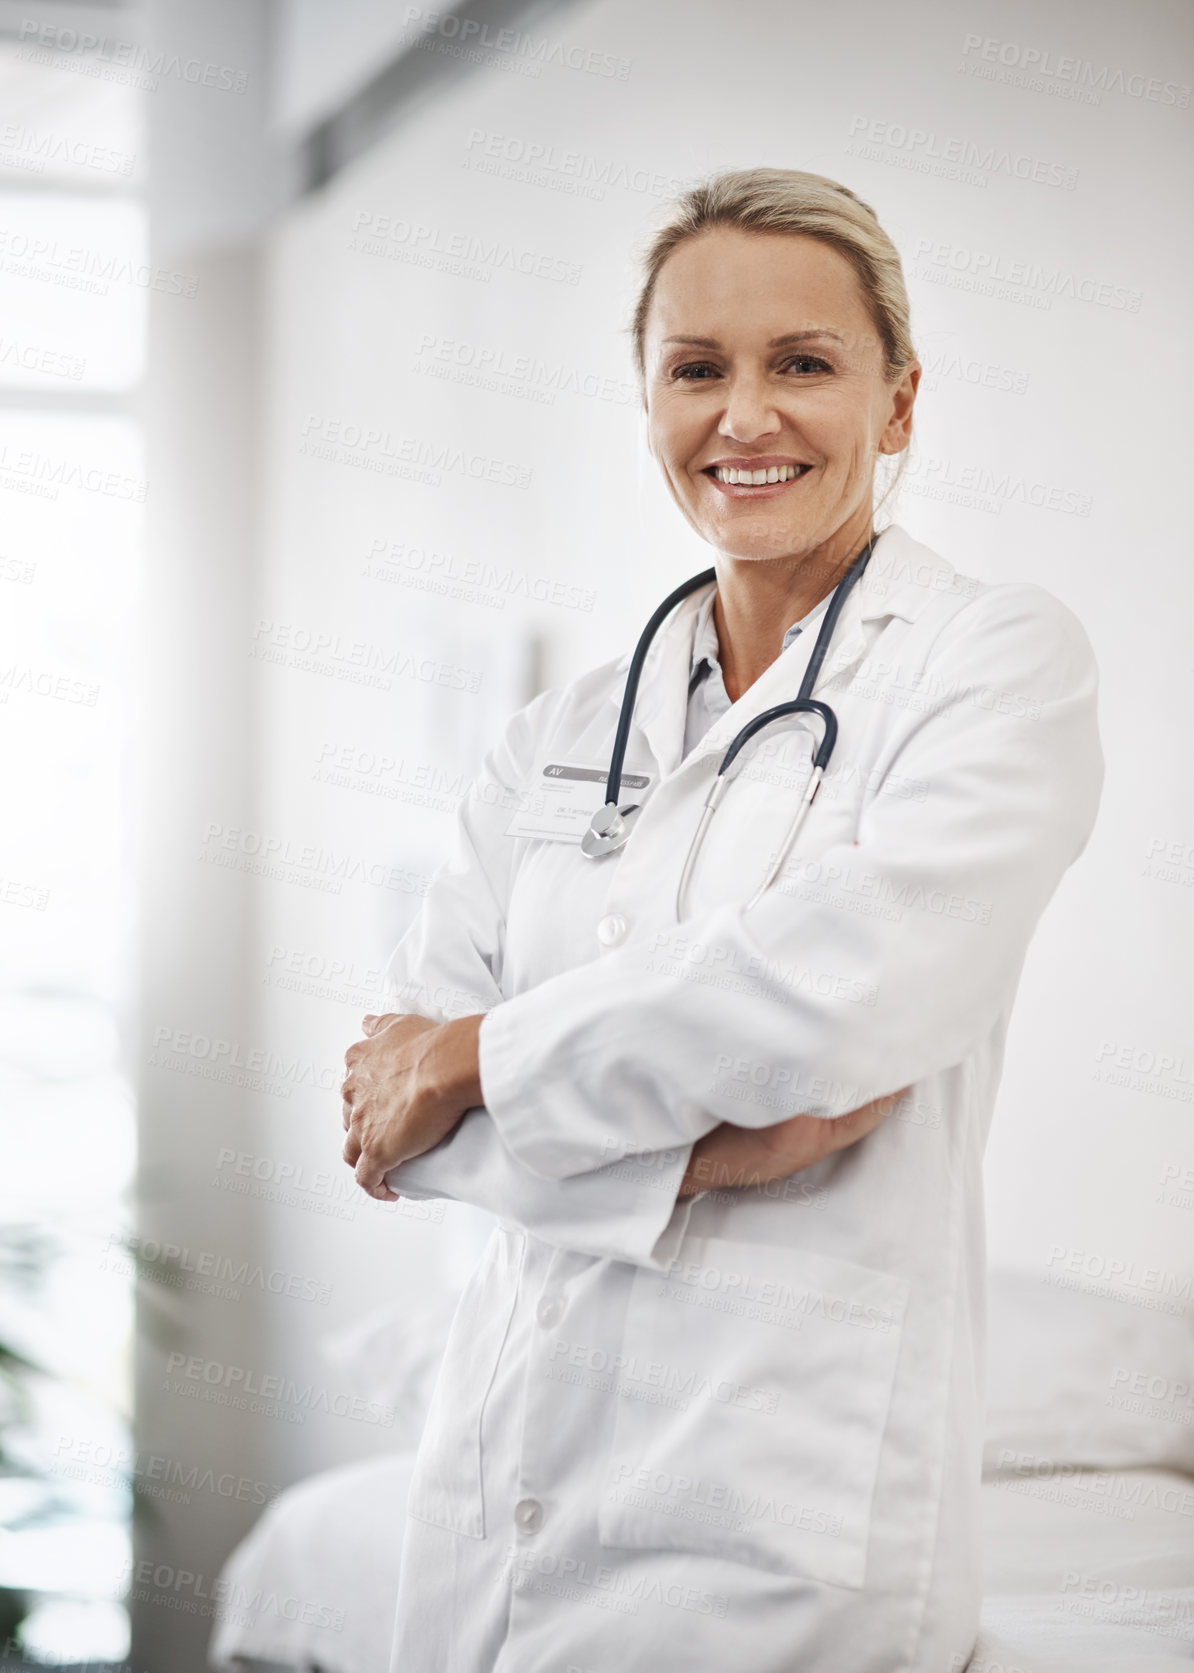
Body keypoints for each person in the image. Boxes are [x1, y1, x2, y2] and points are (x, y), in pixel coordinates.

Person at [339, 168, 1103, 1673]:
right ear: (647, 407)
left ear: (895, 404)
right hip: (497, 1502)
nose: (743, 417)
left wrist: (479, 1060)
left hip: (781, 1536)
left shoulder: (992, 663)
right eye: (696, 369)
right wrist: (702, 1151)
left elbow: (840, 991)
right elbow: (402, 1113)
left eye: (802, 364)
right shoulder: (556, 731)